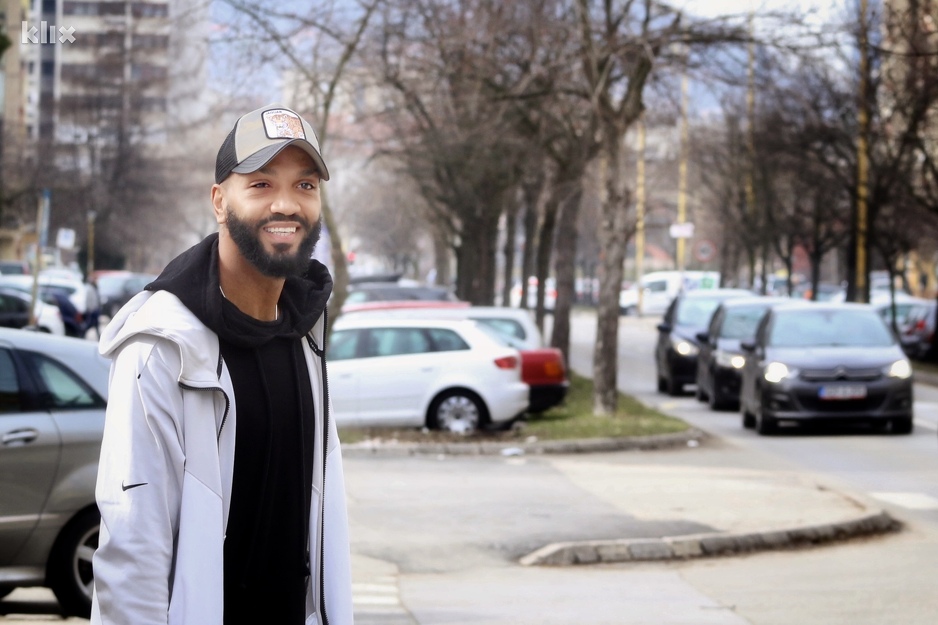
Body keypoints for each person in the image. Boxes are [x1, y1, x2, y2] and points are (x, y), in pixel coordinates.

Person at [91, 104, 353, 625]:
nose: (287, 204)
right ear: (219, 201)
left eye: (305, 186)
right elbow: (132, 552)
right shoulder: (162, 346)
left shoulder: (304, 334)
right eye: (260, 185)